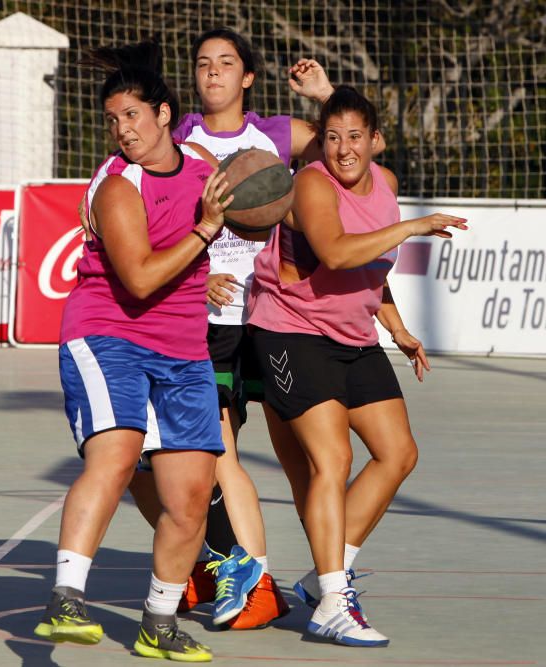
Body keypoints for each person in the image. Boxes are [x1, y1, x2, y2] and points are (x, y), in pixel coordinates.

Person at [129, 27, 340, 629]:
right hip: (208, 318)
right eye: (203, 64)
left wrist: (324, 96)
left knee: (301, 462)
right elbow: (145, 211)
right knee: (204, 453)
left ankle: (324, 578)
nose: (214, 72)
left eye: (227, 64)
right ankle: (241, 574)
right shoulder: (180, 138)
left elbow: (352, 143)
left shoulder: (276, 134)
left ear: (248, 76)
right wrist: (193, 281)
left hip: (276, 317)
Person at [247, 85, 467, 646]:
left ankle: (327, 572)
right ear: (321, 142)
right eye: (332, 137)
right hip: (290, 331)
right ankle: (332, 602)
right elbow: (342, 251)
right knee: (333, 459)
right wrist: (413, 227)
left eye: (354, 137)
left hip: (354, 335)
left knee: (398, 454)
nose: (343, 149)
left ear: (375, 140)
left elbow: (373, 266)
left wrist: (397, 328)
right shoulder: (311, 184)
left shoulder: (385, 185)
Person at [33, 41, 232, 663]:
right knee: (116, 457)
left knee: (191, 495)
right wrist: (204, 233)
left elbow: (248, 217)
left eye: (132, 115)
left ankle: (159, 620)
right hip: (108, 334)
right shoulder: (119, 188)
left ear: (165, 114)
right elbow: (142, 279)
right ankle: (66, 596)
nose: (122, 130)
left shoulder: (205, 171)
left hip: (183, 347)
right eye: (113, 119)